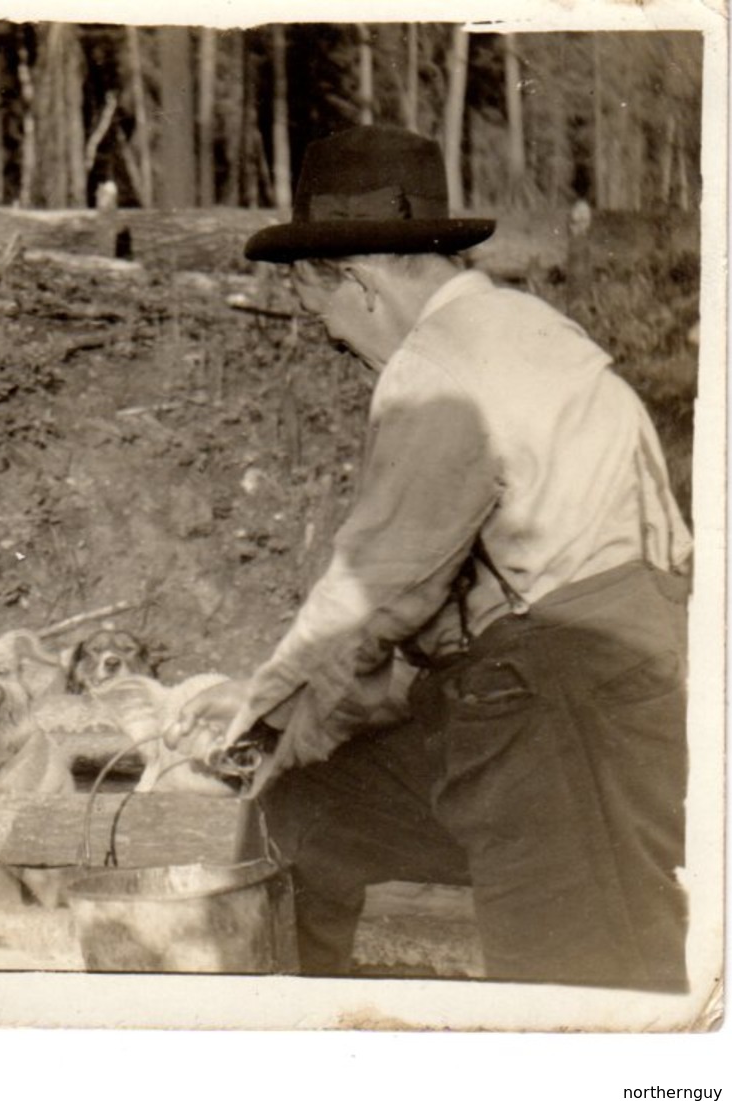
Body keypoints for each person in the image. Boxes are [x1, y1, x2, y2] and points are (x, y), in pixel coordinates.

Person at [174, 125, 693, 989]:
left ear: (358, 284)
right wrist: (314, 737)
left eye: (319, 307)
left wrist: (261, 725)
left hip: (562, 702)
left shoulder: (435, 370)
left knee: (572, 982)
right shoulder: (534, 329)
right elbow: (448, 591)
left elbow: (376, 584)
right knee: (313, 812)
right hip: (621, 670)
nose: (331, 337)